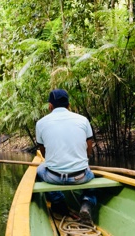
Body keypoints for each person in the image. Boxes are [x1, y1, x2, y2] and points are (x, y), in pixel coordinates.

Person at [35, 88, 96, 226]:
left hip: (54, 177)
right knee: (91, 177)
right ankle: (86, 202)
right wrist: (84, 161)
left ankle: (58, 201)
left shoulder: (41, 123)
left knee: (39, 169)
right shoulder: (83, 120)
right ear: (69, 105)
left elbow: (44, 153)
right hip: (81, 176)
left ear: (50, 106)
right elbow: (89, 147)